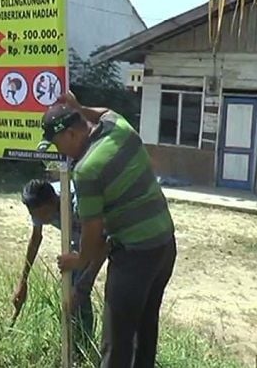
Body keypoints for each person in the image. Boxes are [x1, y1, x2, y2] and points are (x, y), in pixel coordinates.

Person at [40, 92, 177, 368]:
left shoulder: (87, 170)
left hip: (134, 256)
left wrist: (78, 259)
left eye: (57, 144)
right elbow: (103, 112)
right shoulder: (120, 128)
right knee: (144, 331)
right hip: (164, 246)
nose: (59, 152)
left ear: (71, 135)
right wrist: (79, 106)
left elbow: (93, 229)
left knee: (117, 342)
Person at [11, 179, 105, 351]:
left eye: (43, 214)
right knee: (70, 290)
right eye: (35, 215)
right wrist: (23, 281)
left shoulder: (79, 203)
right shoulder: (37, 202)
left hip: (106, 235)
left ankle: (84, 347)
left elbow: (101, 243)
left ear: (55, 201)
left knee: (78, 291)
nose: (39, 219)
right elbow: (36, 238)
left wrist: (84, 284)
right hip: (80, 240)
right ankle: (73, 345)